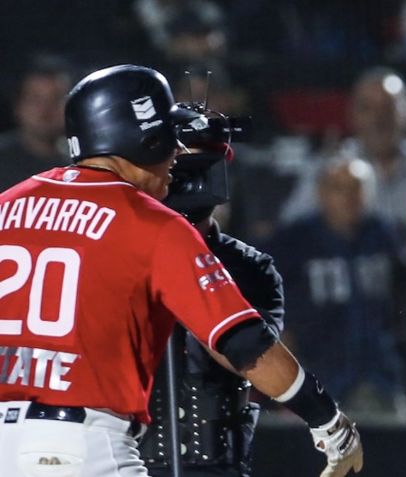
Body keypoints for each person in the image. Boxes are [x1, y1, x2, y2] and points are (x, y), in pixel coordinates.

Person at [0, 64, 362, 477]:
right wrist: (328, 421)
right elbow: (243, 343)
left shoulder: (7, 205)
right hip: (85, 446)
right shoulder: (150, 222)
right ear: (144, 138)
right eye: (168, 138)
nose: (176, 153)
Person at [136, 105, 280, 476]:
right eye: (178, 167)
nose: (186, 180)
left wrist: (194, 273)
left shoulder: (252, 267)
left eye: (202, 168)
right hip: (130, 456)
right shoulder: (122, 252)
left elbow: (252, 356)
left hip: (217, 458)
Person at [268, 156, 406, 418]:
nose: (348, 196)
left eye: (356, 187)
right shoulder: (294, 242)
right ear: (321, 192)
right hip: (319, 379)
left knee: (399, 453)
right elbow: (277, 315)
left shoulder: (385, 235)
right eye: (338, 187)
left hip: (381, 376)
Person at [0, 54, 72, 191]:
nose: (45, 109)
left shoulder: (82, 163)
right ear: (18, 105)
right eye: (35, 99)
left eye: (56, 98)